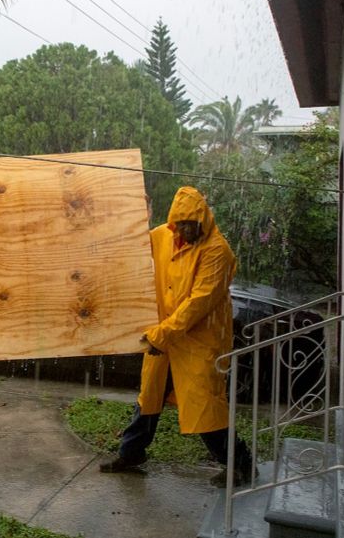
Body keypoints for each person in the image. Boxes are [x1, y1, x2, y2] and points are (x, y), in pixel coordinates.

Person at [99, 186, 256, 487]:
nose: (184, 230)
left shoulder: (217, 251)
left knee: (203, 405)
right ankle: (131, 453)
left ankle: (241, 464)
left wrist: (161, 336)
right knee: (149, 398)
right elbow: (130, 251)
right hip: (166, 335)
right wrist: (130, 214)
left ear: (203, 220)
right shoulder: (162, 237)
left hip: (199, 341)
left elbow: (198, 303)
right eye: (179, 224)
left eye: (190, 224)